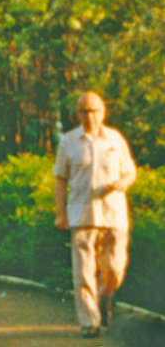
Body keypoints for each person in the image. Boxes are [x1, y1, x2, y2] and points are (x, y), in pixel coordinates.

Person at [54, 90, 139, 337]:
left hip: (113, 215)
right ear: (77, 114)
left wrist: (123, 182)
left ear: (103, 112)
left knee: (115, 268)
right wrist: (60, 214)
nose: (89, 116)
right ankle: (89, 322)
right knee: (83, 272)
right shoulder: (68, 141)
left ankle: (104, 296)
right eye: (84, 111)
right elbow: (60, 179)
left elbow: (130, 171)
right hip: (81, 215)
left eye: (94, 111)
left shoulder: (115, 139)